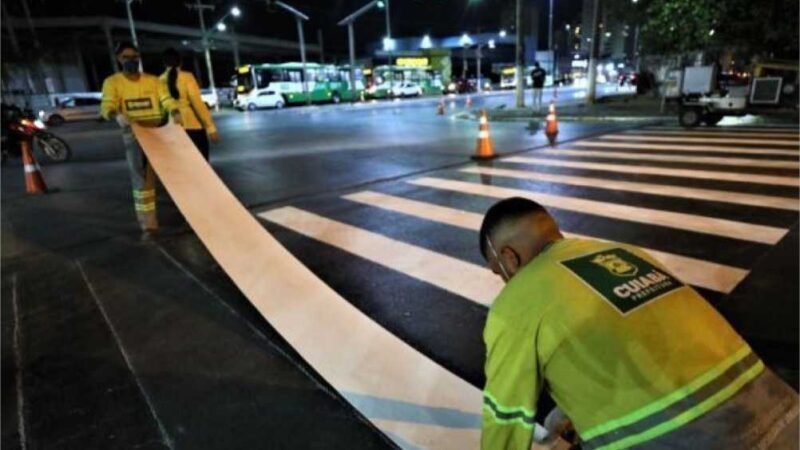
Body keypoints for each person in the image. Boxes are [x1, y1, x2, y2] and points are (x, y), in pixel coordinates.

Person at [479, 197, 799, 450]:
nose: (505, 282)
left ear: (510, 258)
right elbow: (633, 337)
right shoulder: (622, 252)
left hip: (692, 439)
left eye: (499, 273)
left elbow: (506, 414)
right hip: (780, 409)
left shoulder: (518, 299)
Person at [101, 42, 181, 239]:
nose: (131, 61)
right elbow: (106, 106)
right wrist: (115, 114)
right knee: (142, 183)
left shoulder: (153, 81)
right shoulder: (113, 83)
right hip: (134, 135)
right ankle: (148, 224)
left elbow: (166, 99)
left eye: (134, 57)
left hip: (157, 132)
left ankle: (187, 212)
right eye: (126, 57)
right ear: (119, 59)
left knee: (174, 176)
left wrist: (175, 111)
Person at [160, 48, 219, 161]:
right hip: (193, 127)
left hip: (172, 129)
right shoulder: (187, 77)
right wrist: (211, 128)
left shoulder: (159, 80)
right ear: (180, 62)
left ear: (164, 63)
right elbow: (197, 104)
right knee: (201, 166)